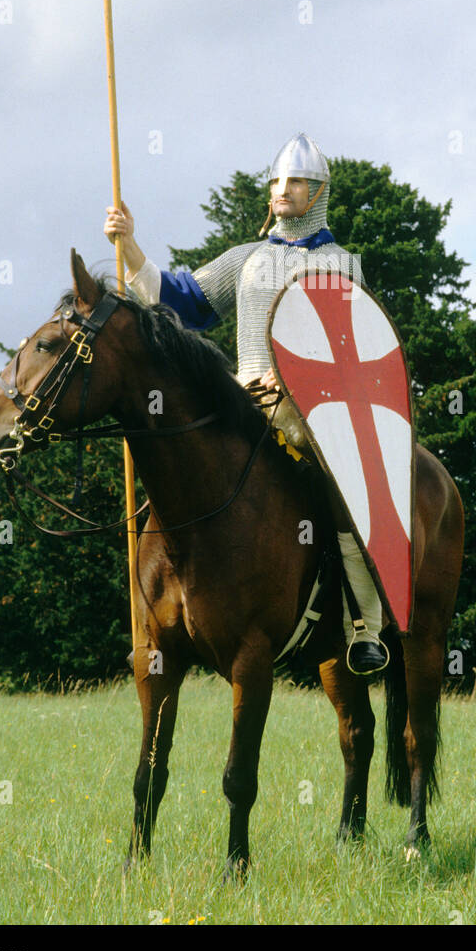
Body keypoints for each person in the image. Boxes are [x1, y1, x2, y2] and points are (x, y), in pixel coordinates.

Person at [104, 132, 389, 675]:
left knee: (345, 496)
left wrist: (304, 386)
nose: (284, 190)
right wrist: (130, 242)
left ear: (319, 191)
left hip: (314, 412)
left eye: (297, 181)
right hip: (243, 402)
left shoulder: (342, 265)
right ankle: (160, 616)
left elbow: (355, 353)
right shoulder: (248, 259)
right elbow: (179, 300)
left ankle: (363, 626)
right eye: (278, 181)